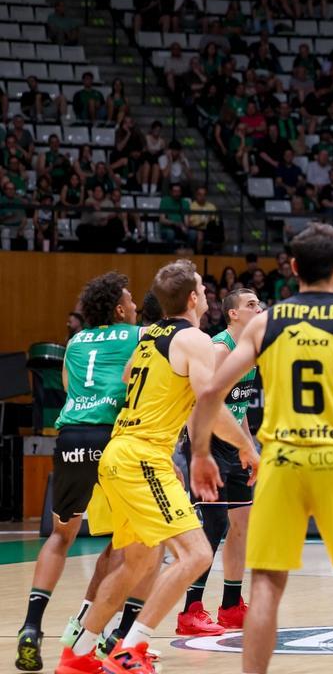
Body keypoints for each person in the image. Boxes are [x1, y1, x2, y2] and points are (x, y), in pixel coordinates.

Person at [191, 223, 333, 674]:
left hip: (281, 462)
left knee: (269, 586)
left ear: (292, 268)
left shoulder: (265, 324)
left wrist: (200, 453)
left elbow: (212, 391)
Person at [55, 261, 259, 674]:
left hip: (121, 453)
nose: (206, 294)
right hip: (141, 457)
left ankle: (77, 656)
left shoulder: (148, 339)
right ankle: (130, 652)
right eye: (202, 288)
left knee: (139, 563)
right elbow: (210, 407)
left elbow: (133, 378)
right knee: (196, 554)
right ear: (192, 299)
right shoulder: (194, 339)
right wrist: (247, 448)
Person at [15, 274, 138, 672]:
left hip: (70, 437)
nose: (135, 304)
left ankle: (31, 626)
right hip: (112, 437)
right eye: (130, 300)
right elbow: (133, 381)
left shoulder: (76, 342)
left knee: (60, 537)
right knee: (134, 542)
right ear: (119, 309)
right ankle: (113, 636)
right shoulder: (136, 335)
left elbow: (70, 388)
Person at [177, 288, 264, 635]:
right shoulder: (218, 350)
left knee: (242, 525)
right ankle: (190, 610)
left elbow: (237, 408)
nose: (259, 308)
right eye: (251, 305)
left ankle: (230, 605)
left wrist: (250, 446)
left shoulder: (250, 351)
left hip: (233, 444)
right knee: (214, 526)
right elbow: (198, 406)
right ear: (233, 314)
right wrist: (196, 451)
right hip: (208, 442)